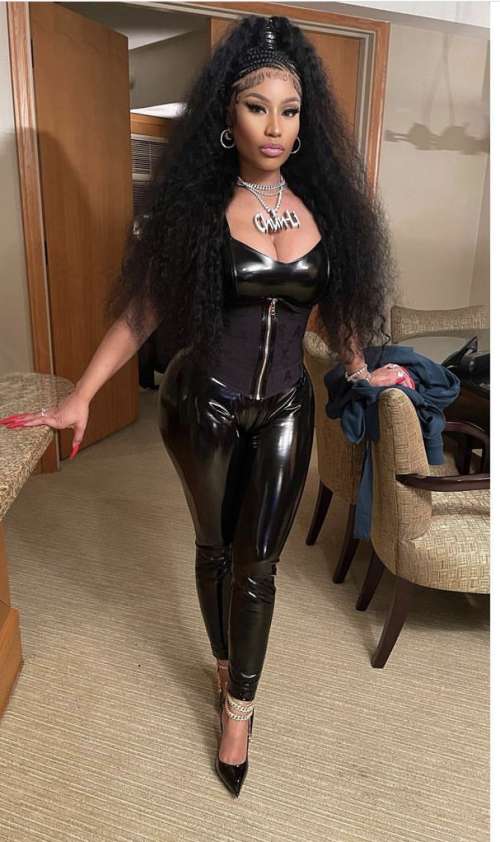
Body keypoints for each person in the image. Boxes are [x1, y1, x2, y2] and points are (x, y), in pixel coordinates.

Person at [0, 15, 407, 797]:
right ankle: (224, 659)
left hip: (285, 404)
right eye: (258, 107)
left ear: (304, 120)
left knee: (259, 563)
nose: (275, 127)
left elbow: (336, 312)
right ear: (228, 114)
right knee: (215, 548)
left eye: (290, 110)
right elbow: (141, 313)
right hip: (203, 403)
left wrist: (365, 370)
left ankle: (239, 708)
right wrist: (81, 396)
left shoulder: (326, 209)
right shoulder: (199, 209)